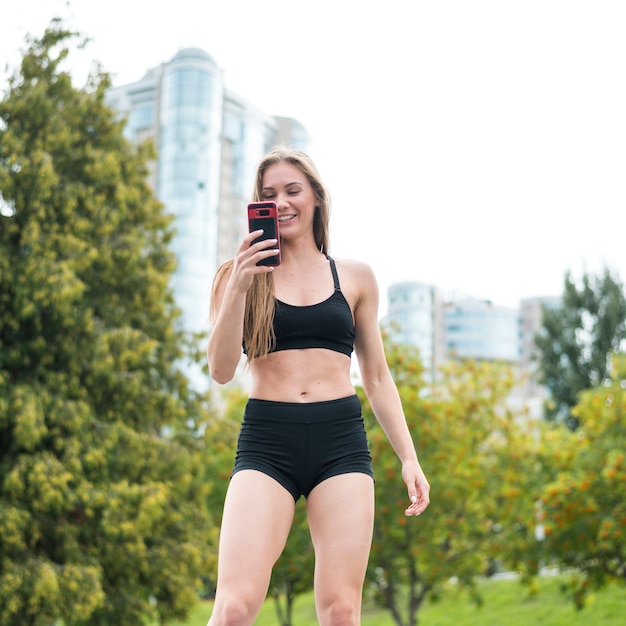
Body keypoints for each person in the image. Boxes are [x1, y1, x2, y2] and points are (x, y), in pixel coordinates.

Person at [206, 146, 430, 626]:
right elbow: (222, 370)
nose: (281, 202)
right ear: (257, 205)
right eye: (269, 195)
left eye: (292, 190)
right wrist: (242, 286)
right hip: (268, 442)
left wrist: (408, 457)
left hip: (340, 441)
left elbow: (376, 375)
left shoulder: (356, 277)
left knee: (342, 610)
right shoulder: (238, 277)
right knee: (233, 609)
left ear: (316, 198)